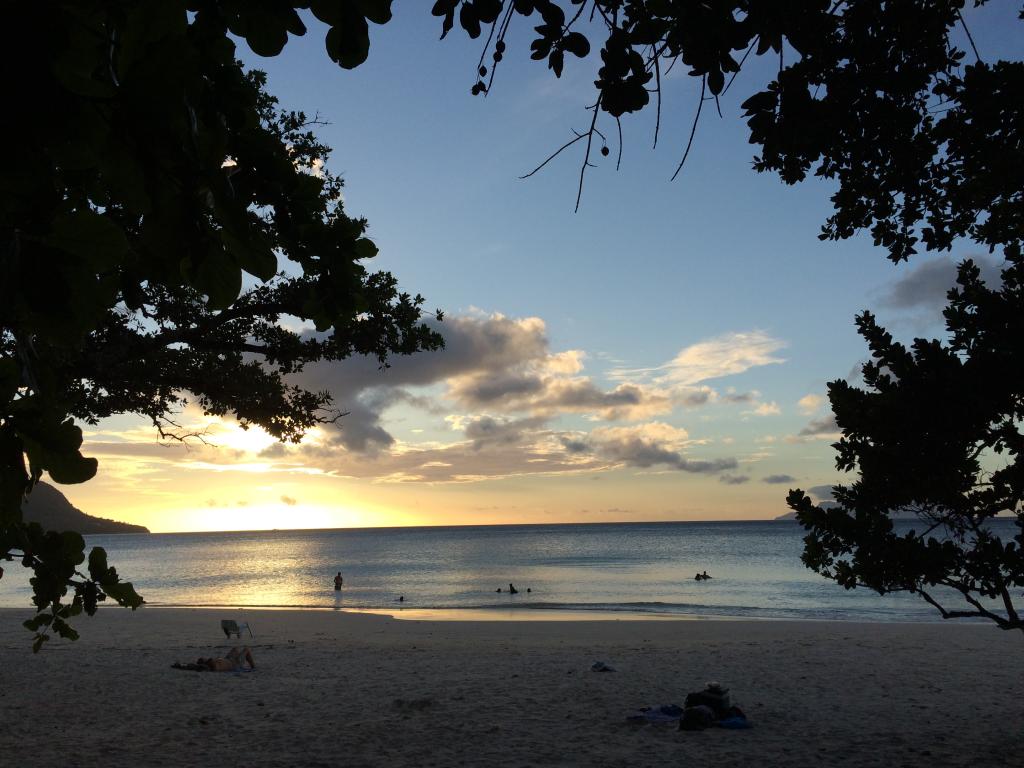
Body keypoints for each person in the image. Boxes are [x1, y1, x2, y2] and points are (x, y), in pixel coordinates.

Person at [174, 646, 255, 672]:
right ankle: (253, 666)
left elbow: (195, 664)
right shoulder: (214, 666)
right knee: (246, 649)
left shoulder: (210, 663)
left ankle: (244, 661)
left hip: (228, 659)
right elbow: (213, 666)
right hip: (235, 663)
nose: (203, 659)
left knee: (235, 649)